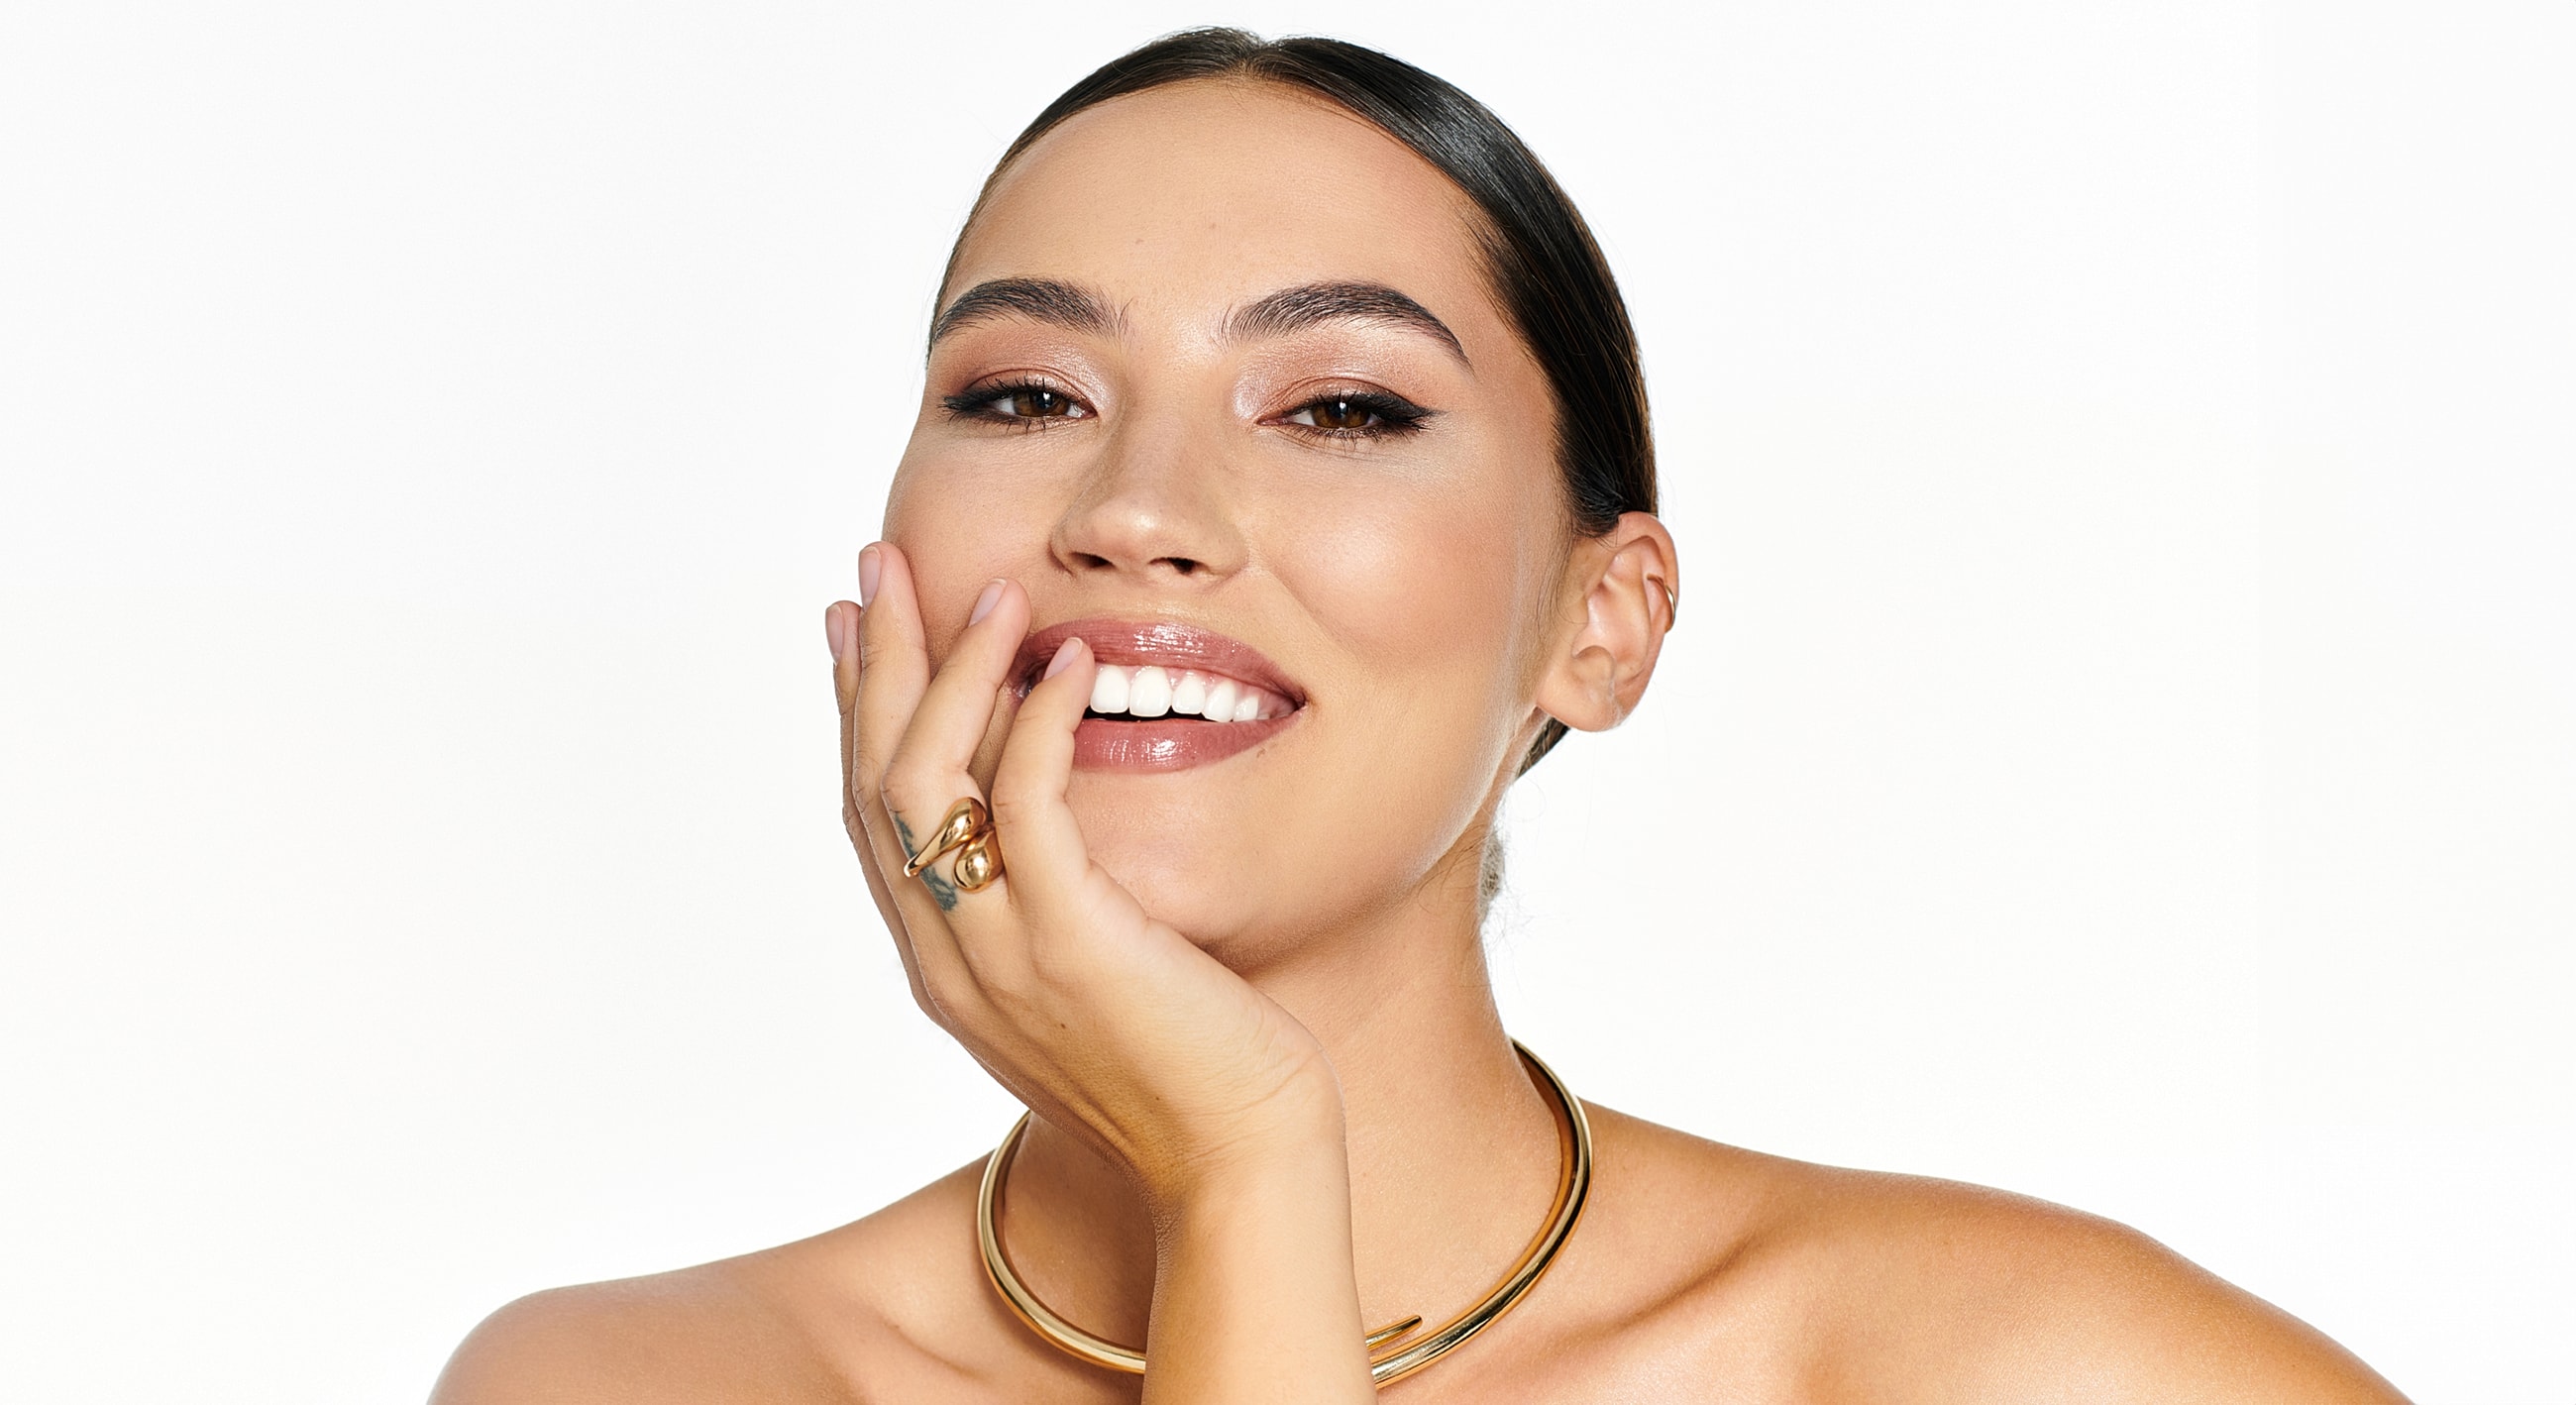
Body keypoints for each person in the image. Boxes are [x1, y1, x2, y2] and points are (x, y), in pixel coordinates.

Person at [432, 29, 2405, 1403]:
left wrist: (1245, 1166)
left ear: (1600, 625)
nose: (1132, 512)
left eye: (1345, 408)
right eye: (1024, 396)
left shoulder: (2024, 1376)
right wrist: (1247, 1169)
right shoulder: (646, 1381)